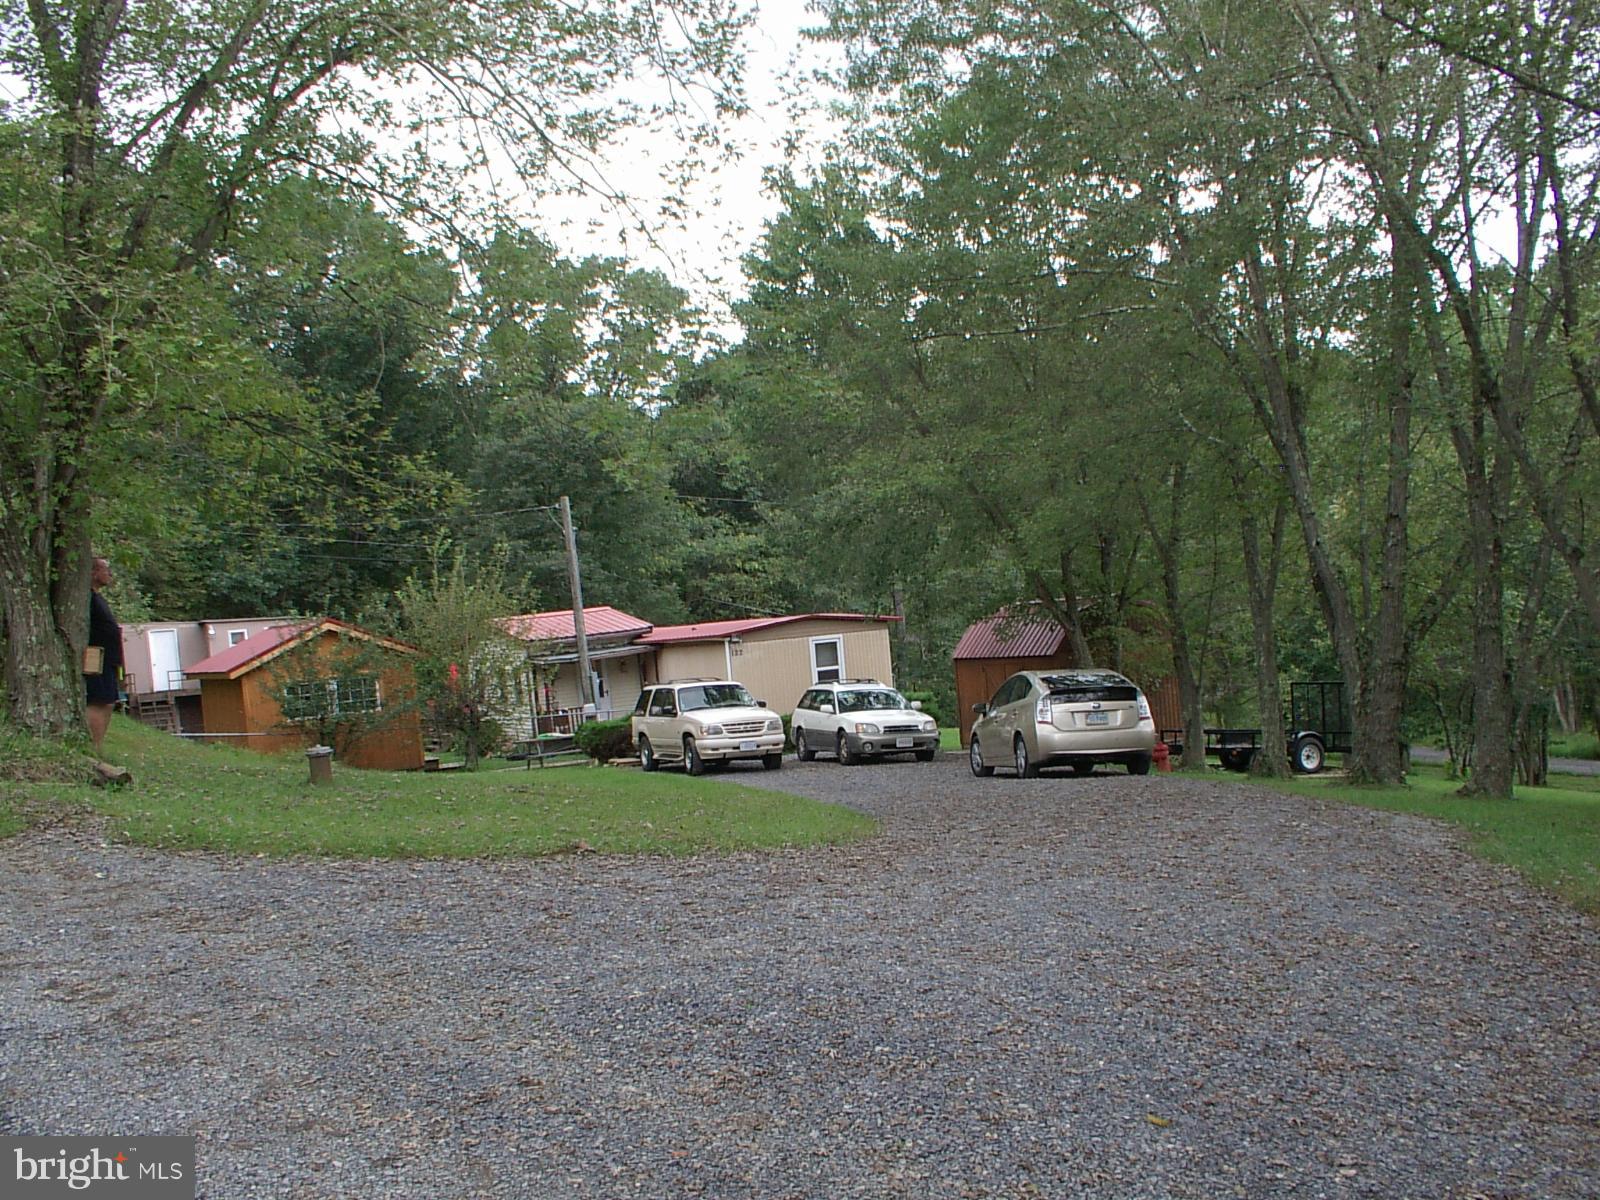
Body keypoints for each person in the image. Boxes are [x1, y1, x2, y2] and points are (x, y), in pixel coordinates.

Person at [85, 555, 123, 755]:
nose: (109, 574)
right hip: (95, 657)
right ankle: (94, 747)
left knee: (108, 702)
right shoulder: (86, 598)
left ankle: (99, 746)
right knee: (98, 700)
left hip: (109, 658)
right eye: (105, 569)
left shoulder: (97, 597)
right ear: (93, 572)